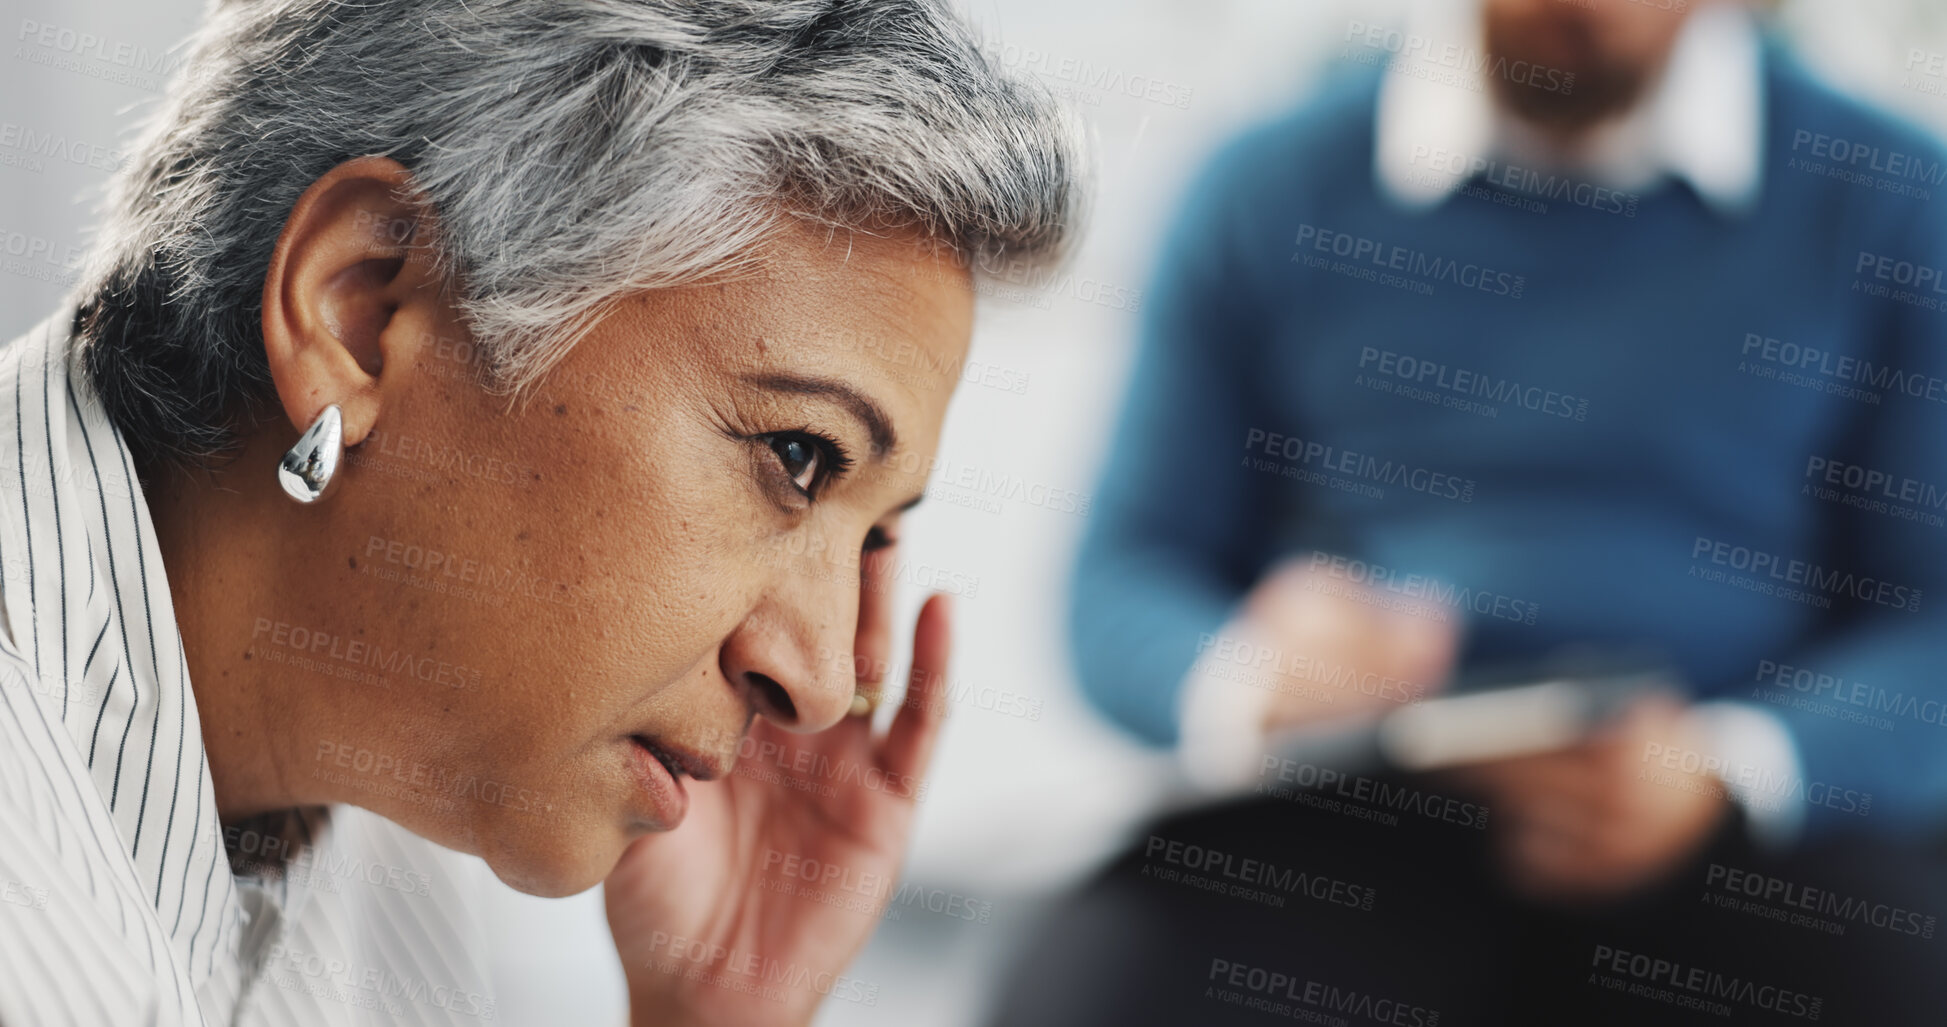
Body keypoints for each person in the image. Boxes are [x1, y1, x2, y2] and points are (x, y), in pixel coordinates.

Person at [0, 1, 1081, 1023]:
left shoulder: (377, 795)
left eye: (876, 536)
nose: (822, 684)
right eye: (798, 457)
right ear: (360, 310)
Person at [995, 0, 1947, 1023]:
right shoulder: (1269, 185)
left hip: (1743, 828)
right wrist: (1255, 675)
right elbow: (1124, 576)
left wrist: (1732, 767)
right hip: (1353, 807)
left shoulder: (1892, 198)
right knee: (1100, 989)